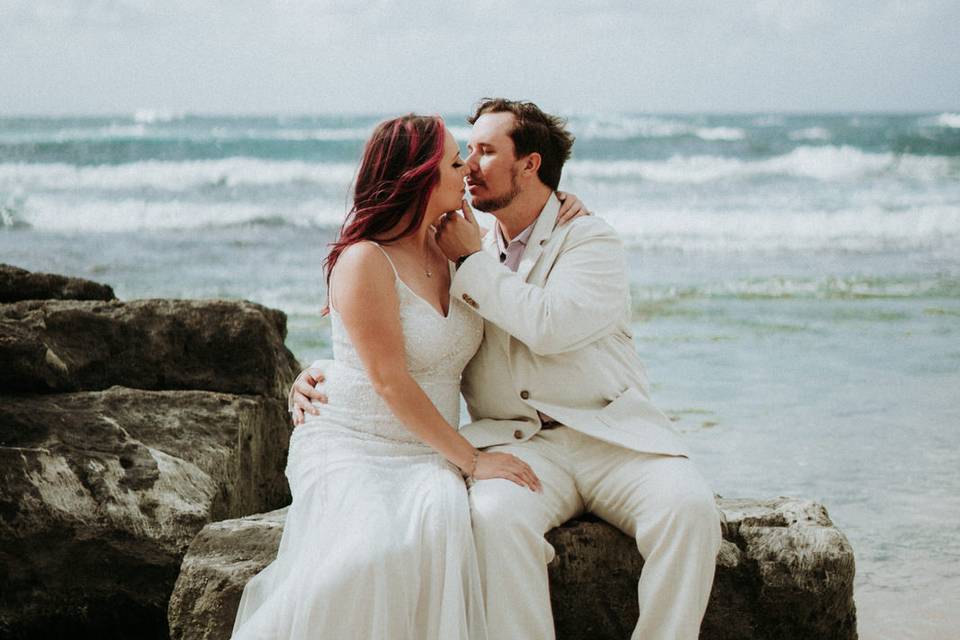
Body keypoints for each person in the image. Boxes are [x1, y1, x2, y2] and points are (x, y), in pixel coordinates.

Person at [292, 99, 722, 640]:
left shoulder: (588, 240)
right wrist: (319, 372)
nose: (468, 165)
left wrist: (473, 262)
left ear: (530, 165)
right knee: (494, 521)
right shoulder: (456, 243)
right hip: (519, 444)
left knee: (690, 511)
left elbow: (549, 326)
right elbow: (389, 329)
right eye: (463, 154)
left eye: (485, 151)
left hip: (610, 436)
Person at [233, 114, 585, 640]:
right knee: (375, 553)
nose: (467, 167)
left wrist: (566, 209)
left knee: (440, 521)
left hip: (426, 449)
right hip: (356, 440)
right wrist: (474, 460)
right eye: (453, 160)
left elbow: (528, 236)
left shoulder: (462, 247)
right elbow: (390, 379)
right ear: (418, 176)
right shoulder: (363, 260)